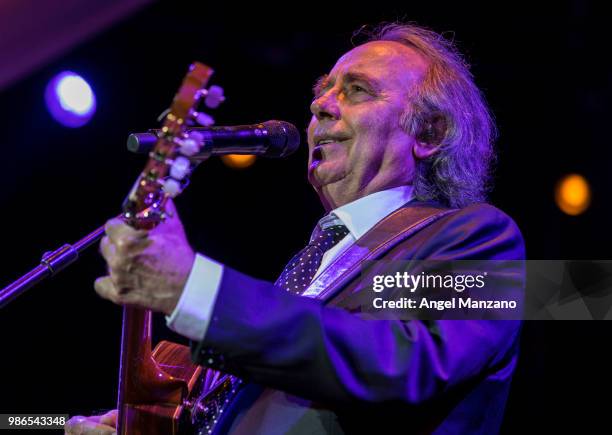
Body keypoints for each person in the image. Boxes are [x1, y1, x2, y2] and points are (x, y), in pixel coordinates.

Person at [65, 22, 525, 434]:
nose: (319, 104)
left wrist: (195, 290)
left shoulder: (480, 236)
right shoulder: (310, 267)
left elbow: (401, 363)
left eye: (358, 89)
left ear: (429, 133)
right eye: (323, 91)